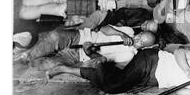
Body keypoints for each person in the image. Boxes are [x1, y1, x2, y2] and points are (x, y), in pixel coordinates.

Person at [46, 47, 190, 95]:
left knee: (116, 84)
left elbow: (178, 91)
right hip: (152, 60)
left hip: (152, 80)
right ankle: (99, 64)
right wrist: (189, 72)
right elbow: (179, 51)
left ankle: (102, 66)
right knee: (112, 86)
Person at [13, 24, 156, 69]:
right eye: (139, 36)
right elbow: (105, 28)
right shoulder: (129, 31)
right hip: (82, 36)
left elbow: (106, 65)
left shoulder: (130, 57)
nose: (137, 40)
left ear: (143, 48)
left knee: (50, 64)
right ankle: (25, 55)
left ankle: (25, 57)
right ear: (140, 32)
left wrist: (91, 54)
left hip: (80, 56)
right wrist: (121, 34)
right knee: (54, 37)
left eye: (141, 42)